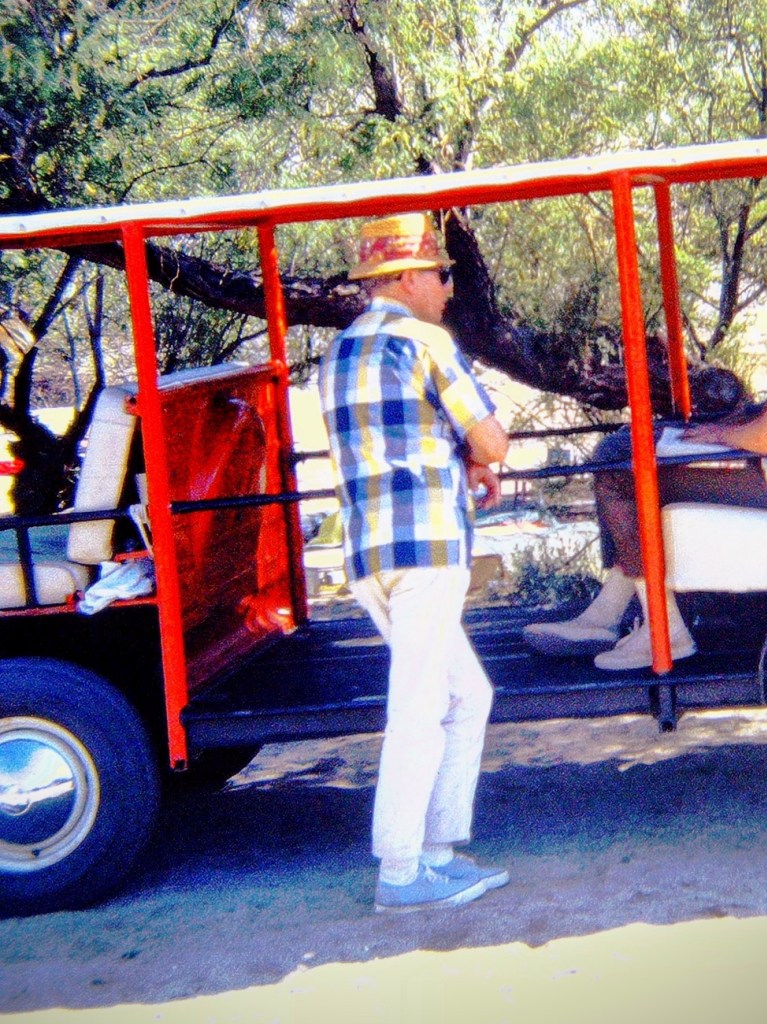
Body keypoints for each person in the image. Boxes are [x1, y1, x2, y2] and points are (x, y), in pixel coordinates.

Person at [525, 211, 767, 671]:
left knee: (621, 476)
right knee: (628, 458)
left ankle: (665, 630)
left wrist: (721, 435)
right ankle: (604, 616)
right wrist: (717, 433)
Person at [320, 212, 510, 913]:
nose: (446, 288)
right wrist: (479, 454)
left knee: (468, 694)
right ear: (403, 278)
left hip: (370, 551)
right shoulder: (425, 341)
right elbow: (492, 441)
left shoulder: (339, 352)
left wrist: (462, 454)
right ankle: (401, 872)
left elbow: (399, 434)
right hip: (427, 546)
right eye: (438, 273)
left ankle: (438, 852)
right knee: (421, 708)